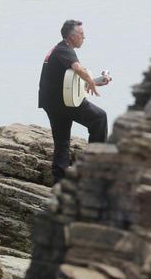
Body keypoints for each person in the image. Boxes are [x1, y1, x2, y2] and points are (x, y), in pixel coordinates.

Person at [37, 19, 111, 183]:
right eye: (82, 34)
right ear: (72, 37)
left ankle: (59, 181)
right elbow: (77, 69)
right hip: (64, 103)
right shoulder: (65, 50)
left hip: (53, 102)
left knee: (62, 141)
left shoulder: (58, 50)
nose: (84, 38)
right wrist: (91, 82)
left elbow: (71, 82)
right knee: (99, 118)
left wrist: (97, 80)